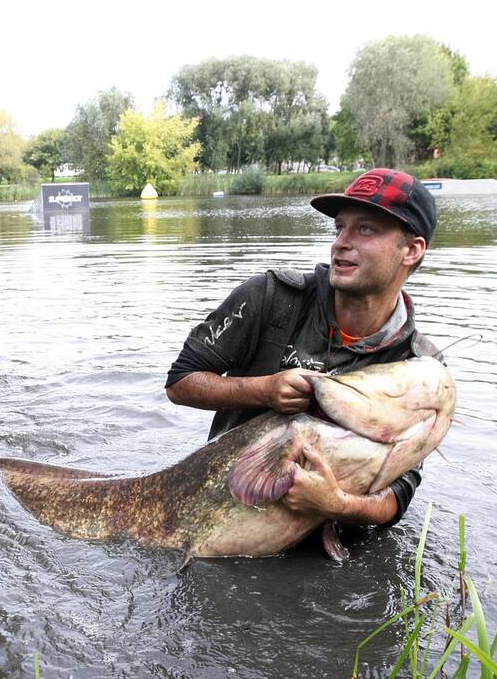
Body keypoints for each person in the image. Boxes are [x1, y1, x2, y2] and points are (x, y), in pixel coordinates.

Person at [165, 168, 440, 526]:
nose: (341, 241)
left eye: (366, 229)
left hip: (325, 536)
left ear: (412, 250)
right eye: (340, 227)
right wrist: (263, 390)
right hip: (219, 509)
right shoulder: (272, 297)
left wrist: (336, 504)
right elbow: (179, 384)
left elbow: (400, 493)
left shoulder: (419, 368)